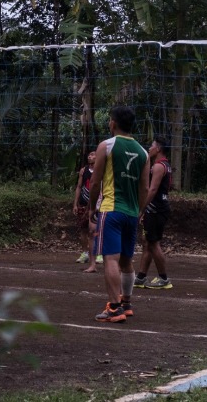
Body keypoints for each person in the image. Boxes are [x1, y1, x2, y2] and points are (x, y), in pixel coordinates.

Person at [88, 106, 149, 323]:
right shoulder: (143, 153)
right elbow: (144, 188)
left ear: (113, 123)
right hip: (132, 213)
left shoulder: (107, 146)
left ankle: (114, 307)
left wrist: (91, 207)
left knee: (110, 259)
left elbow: (95, 182)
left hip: (111, 210)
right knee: (126, 260)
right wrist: (139, 211)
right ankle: (127, 303)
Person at [135, 135, 173, 289]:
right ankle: (141, 277)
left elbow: (152, 189)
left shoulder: (158, 166)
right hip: (157, 208)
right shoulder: (165, 165)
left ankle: (164, 279)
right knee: (148, 243)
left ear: (158, 149)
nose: (149, 148)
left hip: (156, 209)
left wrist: (142, 208)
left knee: (153, 243)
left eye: (151, 146)